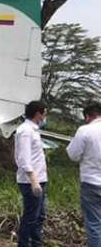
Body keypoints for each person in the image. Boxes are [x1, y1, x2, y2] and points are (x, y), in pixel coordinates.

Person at [14, 100, 49, 247]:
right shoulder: (25, 131)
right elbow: (24, 158)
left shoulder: (33, 130)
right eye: (44, 114)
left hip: (39, 179)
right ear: (37, 114)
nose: (45, 117)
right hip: (30, 182)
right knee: (30, 217)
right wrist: (34, 179)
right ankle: (24, 244)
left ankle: (36, 244)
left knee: (39, 216)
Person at [66, 101, 101, 247]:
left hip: (91, 183)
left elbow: (73, 155)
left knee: (94, 225)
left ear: (87, 116)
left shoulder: (84, 130)